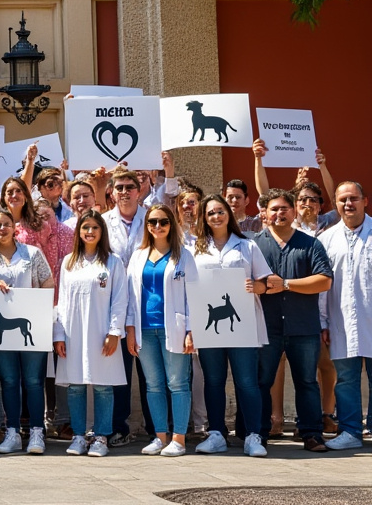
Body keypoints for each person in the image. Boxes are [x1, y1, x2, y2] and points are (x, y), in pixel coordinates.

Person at [191, 194, 271, 457]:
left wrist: (257, 286)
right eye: (210, 212)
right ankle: (216, 433)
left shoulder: (247, 246)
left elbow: (266, 282)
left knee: (247, 382)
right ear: (204, 217)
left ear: (229, 214)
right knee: (213, 381)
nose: (216, 216)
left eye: (220, 211)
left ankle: (253, 435)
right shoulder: (195, 249)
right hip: (208, 326)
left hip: (244, 327)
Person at [254, 188, 333, 452]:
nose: (279, 213)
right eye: (273, 209)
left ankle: (311, 434)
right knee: (262, 381)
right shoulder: (254, 245)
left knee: (307, 382)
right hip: (266, 327)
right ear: (264, 213)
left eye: (284, 208)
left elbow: (324, 280)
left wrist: (286, 284)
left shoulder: (310, 243)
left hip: (303, 327)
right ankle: (259, 433)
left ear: (294, 210)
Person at [0, 208, 55, 454]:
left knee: (34, 381)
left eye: (6, 224)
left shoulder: (31, 253)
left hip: (30, 318)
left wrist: (36, 305)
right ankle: (12, 432)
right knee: (9, 381)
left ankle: (36, 432)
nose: (2, 229)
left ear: (15, 227)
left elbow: (48, 282)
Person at [125, 205, 197, 457]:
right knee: (153, 385)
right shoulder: (138, 255)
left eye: (163, 221)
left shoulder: (184, 255)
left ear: (171, 224)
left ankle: (178, 438)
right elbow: (130, 297)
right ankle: (159, 436)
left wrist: (191, 330)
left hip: (173, 328)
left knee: (177, 383)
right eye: (152, 222)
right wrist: (130, 330)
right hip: (145, 328)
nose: (158, 226)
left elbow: (193, 296)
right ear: (146, 225)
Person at [55, 212, 129, 457]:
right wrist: (59, 334)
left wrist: (114, 332)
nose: (89, 231)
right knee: (75, 386)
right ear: (78, 231)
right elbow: (62, 301)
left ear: (102, 232)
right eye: (85, 227)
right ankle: (78, 435)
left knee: (102, 387)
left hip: (101, 332)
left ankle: (101, 437)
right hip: (72, 332)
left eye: (95, 227)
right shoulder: (69, 262)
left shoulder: (113, 262)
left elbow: (120, 300)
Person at [318, 182, 372, 451]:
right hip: (342, 320)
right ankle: (351, 430)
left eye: (353, 198)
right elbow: (321, 286)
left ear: (365, 201)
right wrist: (323, 322)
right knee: (347, 378)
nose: (348, 204)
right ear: (336, 204)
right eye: (342, 200)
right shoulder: (326, 239)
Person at [100, 167, 150, 446]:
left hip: (149, 304)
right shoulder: (103, 222)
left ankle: (157, 428)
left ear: (139, 189)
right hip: (114, 305)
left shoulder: (152, 218)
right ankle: (118, 426)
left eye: (130, 187)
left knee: (150, 372)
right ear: (111, 192)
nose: (124, 192)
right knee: (118, 372)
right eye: (119, 187)